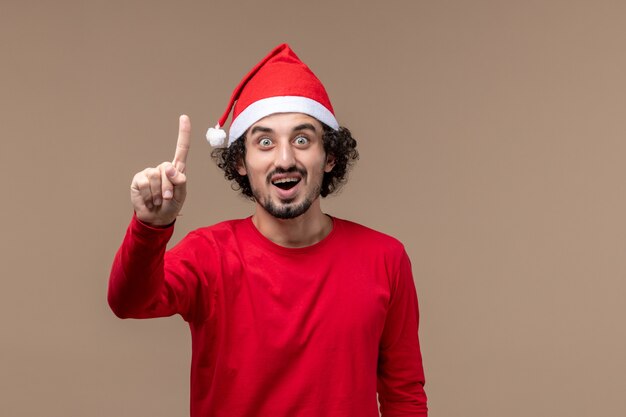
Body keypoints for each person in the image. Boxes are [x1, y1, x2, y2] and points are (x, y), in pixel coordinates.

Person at [108, 43, 427, 417]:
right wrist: (151, 226)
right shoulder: (208, 254)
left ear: (331, 157)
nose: (285, 159)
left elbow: (403, 395)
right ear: (241, 162)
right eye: (264, 142)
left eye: (303, 139)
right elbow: (128, 302)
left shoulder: (385, 259)